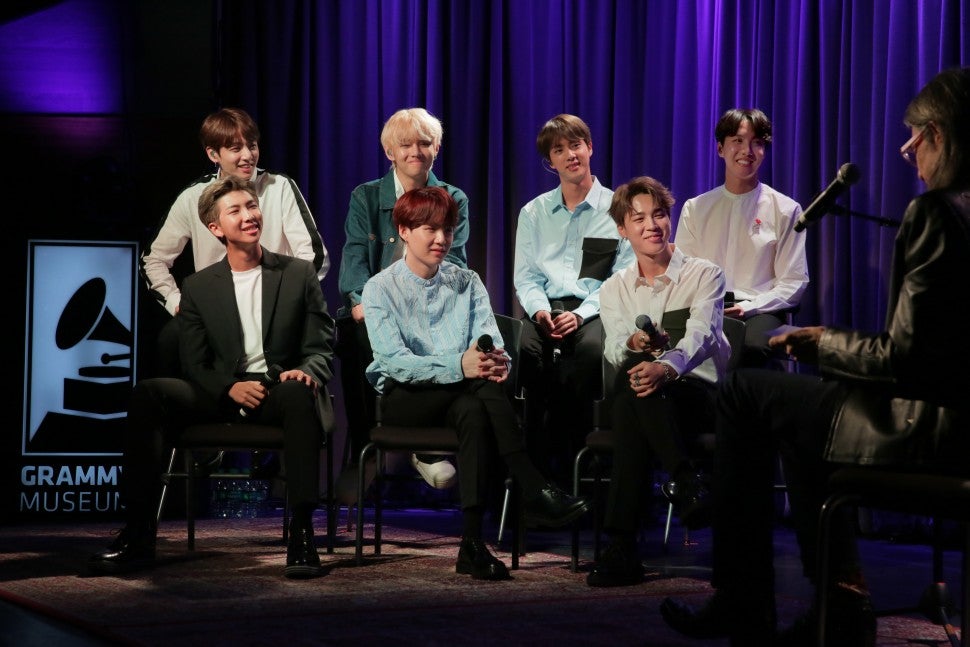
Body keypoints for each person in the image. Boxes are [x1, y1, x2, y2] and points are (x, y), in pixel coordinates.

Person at [660, 67, 970, 646]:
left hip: (924, 422)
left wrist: (821, 342)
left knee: (744, 391)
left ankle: (745, 600)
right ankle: (842, 599)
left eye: (914, 142)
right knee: (791, 415)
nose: (909, 155)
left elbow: (908, 361)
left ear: (941, 136)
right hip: (947, 416)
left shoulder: (936, 213)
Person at [90, 175, 336, 580]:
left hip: (276, 389)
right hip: (218, 390)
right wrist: (228, 387)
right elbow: (195, 364)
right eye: (235, 210)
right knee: (149, 394)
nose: (249, 215)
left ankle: (302, 534)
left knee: (298, 394)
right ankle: (138, 533)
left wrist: (306, 371)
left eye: (252, 206)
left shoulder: (297, 274)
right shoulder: (199, 286)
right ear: (215, 227)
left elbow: (320, 345)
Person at [362, 186, 588, 580]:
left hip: (464, 396)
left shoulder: (466, 281)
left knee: (475, 406)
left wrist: (497, 362)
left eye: (448, 230)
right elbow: (395, 363)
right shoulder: (379, 288)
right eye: (430, 229)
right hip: (407, 399)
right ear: (404, 231)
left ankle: (472, 544)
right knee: (479, 390)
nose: (441, 239)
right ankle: (532, 484)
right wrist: (459, 365)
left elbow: (492, 341)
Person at [585, 176, 731, 588]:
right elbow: (614, 347)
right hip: (646, 396)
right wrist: (634, 343)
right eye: (639, 218)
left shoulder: (705, 274)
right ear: (623, 229)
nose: (652, 225)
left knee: (634, 396)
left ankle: (621, 546)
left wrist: (666, 367)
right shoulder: (614, 288)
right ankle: (685, 482)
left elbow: (702, 336)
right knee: (634, 387)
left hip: (696, 394)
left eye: (660, 214)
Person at [337, 107, 470, 493]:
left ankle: (422, 445)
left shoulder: (453, 197)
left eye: (424, 143)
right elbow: (354, 257)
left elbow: (454, 262)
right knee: (356, 334)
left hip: (430, 305)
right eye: (405, 144)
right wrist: (363, 301)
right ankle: (367, 448)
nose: (415, 151)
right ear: (389, 152)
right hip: (376, 305)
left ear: (436, 148)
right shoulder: (365, 196)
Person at [141, 107, 329, 376]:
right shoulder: (193, 197)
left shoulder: (279, 187)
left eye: (252, 145)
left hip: (274, 306)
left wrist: (289, 297)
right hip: (215, 311)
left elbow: (313, 255)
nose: (248, 155)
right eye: (235, 148)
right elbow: (153, 259)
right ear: (213, 154)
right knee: (170, 340)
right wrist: (177, 301)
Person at [513, 114, 634, 480]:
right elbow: (526, 276)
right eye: (559, 150)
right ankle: (534, 474)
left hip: (596, 310)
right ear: (550, 162)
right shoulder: (533, 212)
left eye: (576, 145)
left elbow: (621, 277)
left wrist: (581, 313)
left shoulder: (617, 209)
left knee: (591, 353)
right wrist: (540, 311)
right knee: (525, 353)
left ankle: (580, 466)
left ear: (590, 147)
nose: (570, 155)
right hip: (545, 308)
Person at [673, 108, 808, 368]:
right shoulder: (696, 208)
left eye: (757, 143)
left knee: (749, 345)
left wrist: (750, 307)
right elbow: (683, 274)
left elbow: (793, 282)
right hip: (706, 306)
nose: (747, 151)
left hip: (760, 309)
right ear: (720, 149)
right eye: (737, 140)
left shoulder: (786, 209)